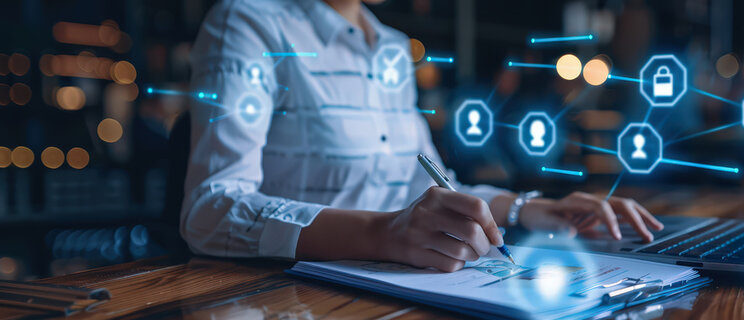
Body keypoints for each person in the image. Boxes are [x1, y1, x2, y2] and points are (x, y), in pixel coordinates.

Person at [182, 0, 664, 272]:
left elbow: (430, 188)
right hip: (285, 307)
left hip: (397, 303)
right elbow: (209, 210)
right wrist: (381, 233)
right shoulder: (247, 23)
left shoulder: (390, 46)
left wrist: (529, 209)